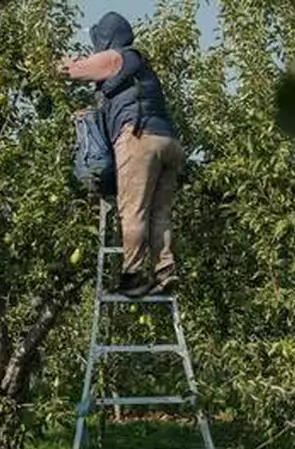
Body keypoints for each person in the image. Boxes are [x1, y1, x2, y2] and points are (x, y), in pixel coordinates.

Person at [58, 11, 183, 297]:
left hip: (139, 138)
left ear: (107, 38)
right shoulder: (142, 66)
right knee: (159, 212)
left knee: (133, 210)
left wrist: (48, 65)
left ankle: (133, 276)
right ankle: (165, 271)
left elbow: (72, 71)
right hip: (168, 142)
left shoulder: (119, 57)